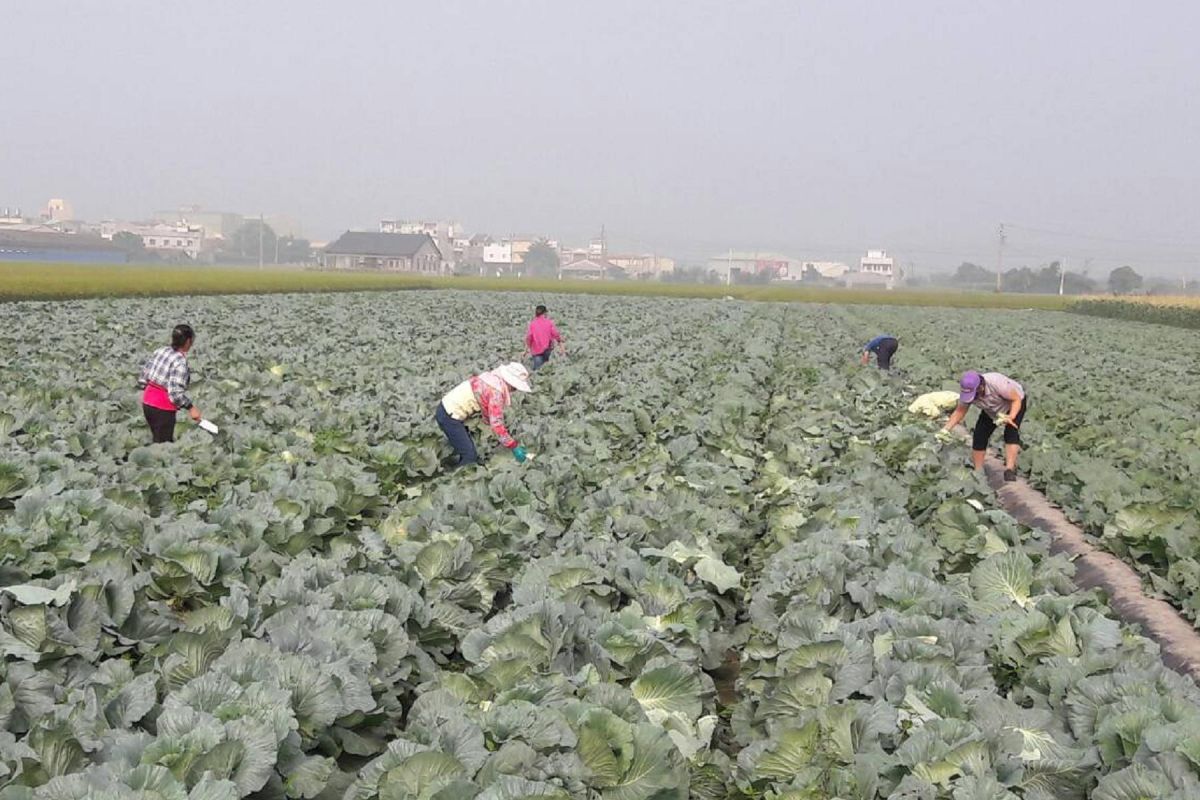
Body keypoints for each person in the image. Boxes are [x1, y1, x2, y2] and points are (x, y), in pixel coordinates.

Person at [436, 362, 531, 467]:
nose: (514, 390)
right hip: (449, 416)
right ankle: (459, 479)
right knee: (470, 456)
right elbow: (497, 425)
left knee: (465, 444)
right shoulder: (496, 392)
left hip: (445, 407)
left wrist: (488, 423)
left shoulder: (489, 378)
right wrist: (513, 446)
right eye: (515, 387)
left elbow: (485, 405)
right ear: (510, 383)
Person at [942, 370, 1027, 481]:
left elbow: (1016, 399)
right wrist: (946, 429)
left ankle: (1010, 469)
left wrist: (1010, 417)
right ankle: (978, 471)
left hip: (1013, 404)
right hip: (991, 409)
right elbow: (960, 411)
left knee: (1011, 432)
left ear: (981, 386)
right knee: (979, 434)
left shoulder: (997, 383)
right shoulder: (967, 394)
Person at [137, 324, 203, 443]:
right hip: (162, 408)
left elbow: (143, 378)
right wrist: (191, 408)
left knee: (157, 440)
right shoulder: (180, 362)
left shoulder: (160, 351)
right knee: (164, 447)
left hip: (147, 403)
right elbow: (175, 394)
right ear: (188, 341)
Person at [525, 305, 565, 371]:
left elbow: (529, 337)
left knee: (538, 371)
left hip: (536, 351)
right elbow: (555, 334)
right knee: (549, 369)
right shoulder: (549, 322)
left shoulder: (532, 324)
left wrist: (527, 348)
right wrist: (560, 340)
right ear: (545, 313)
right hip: (548, 349)